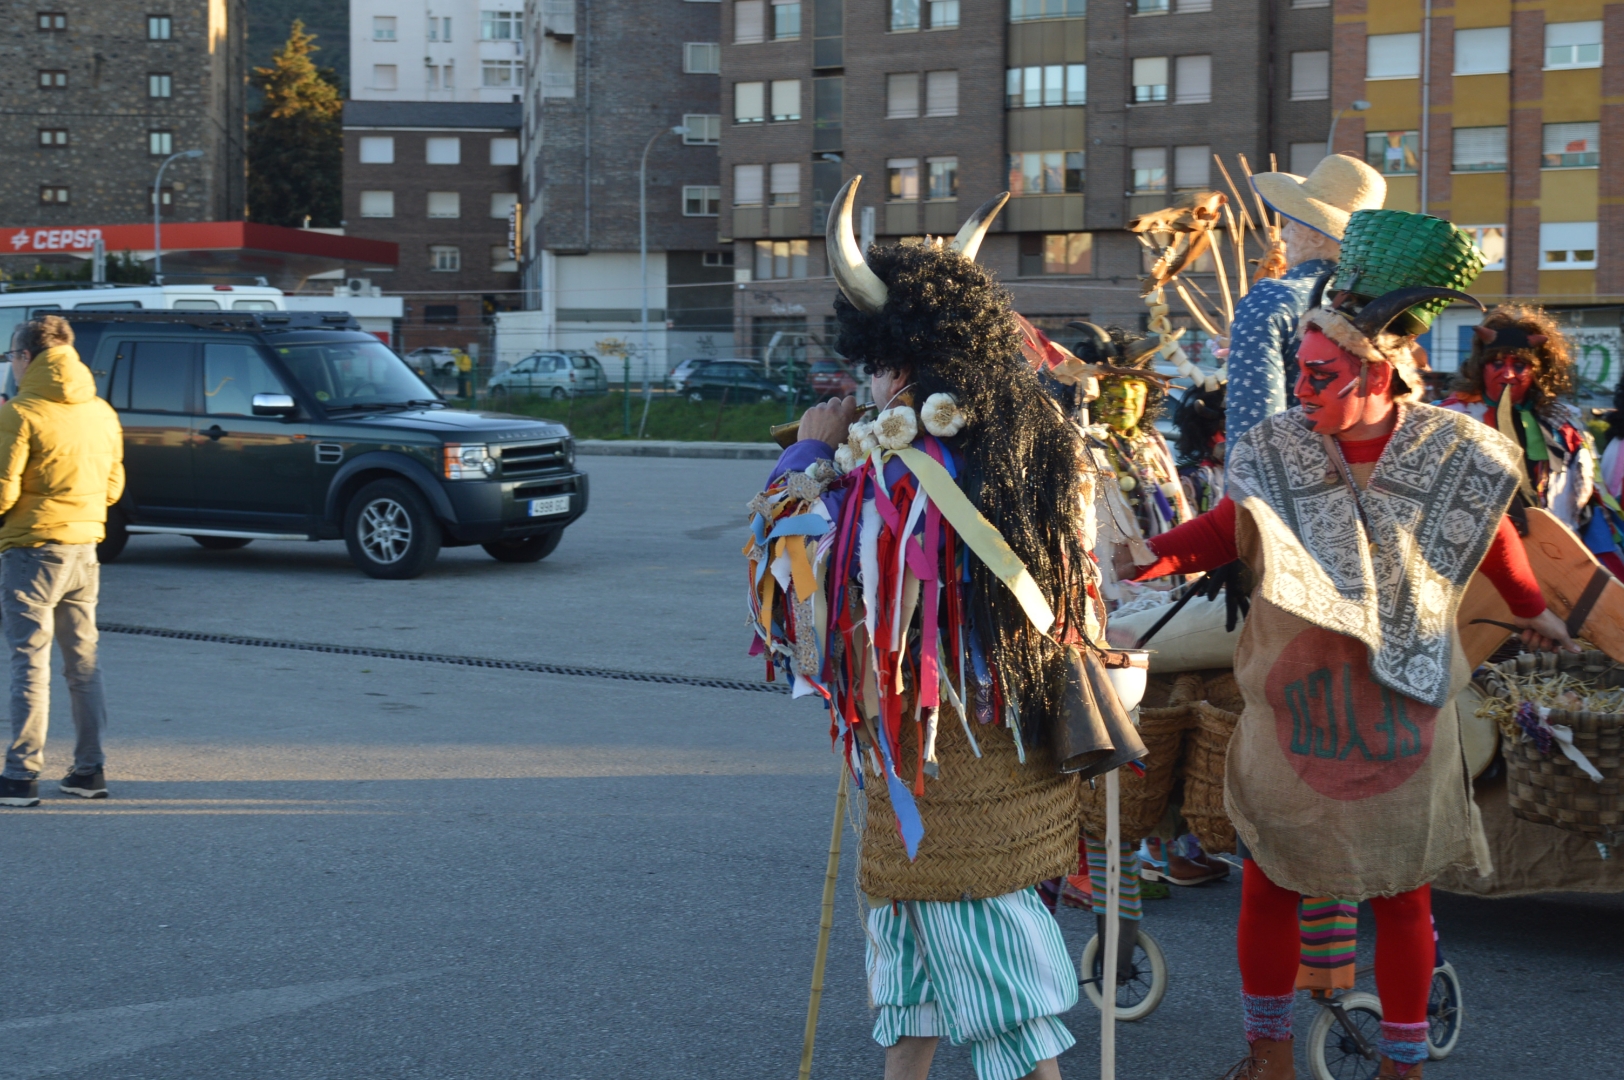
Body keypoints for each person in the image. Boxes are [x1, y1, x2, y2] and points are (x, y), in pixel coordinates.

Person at [1116, 210, 1577, 1079]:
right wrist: (1137, 557)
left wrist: (1534, 612)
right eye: (1298, 368)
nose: (1301, 386)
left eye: (1318, 372)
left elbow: (1501, 546)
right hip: (1294, 714)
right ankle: (1269, 1055)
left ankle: (1402, 1066)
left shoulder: (1454, 451)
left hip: (1402, 714)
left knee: (1403, 893)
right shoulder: (1276, 447)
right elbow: (1221, 532)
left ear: (1374, 372)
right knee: (1270, 880)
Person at [749, 182, 1106, 1080]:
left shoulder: (903, 476)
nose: (865, 386)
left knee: (1005, 1018)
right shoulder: (1018, 451)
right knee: (913, 1000)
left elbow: (805, 609)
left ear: (897, 366)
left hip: (941, 778)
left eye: (872, 368)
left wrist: (805, 457)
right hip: (973, 761)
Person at [0, 316, 125, 808]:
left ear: (27, 358)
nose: (10, 366)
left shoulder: (20, 413)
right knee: (83, 665)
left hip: (31, 551)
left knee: (29, 661)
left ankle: (19, 776)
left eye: (11, 357)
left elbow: (4, 492)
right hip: (84, 550)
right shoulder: (101, 411)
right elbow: (113, 488)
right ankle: (88, 771)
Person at [1437, 304, 1624, 578]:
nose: (1509, 374)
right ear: (1481, 365)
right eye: (1497, 363)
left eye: (1520, 365)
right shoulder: (1451, 420)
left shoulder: (1564, 422)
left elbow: (1587, 496)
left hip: (1556, 557)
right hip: (1477, 565)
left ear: (1537, 371)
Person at [1226, 154, 1386, 442]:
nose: (1285, 235)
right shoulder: (1378, 307)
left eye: (1293, 222)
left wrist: (1239, 484)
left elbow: (1253, 431)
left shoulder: (1272, 299)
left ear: (1315, 233)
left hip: (1293, 477)